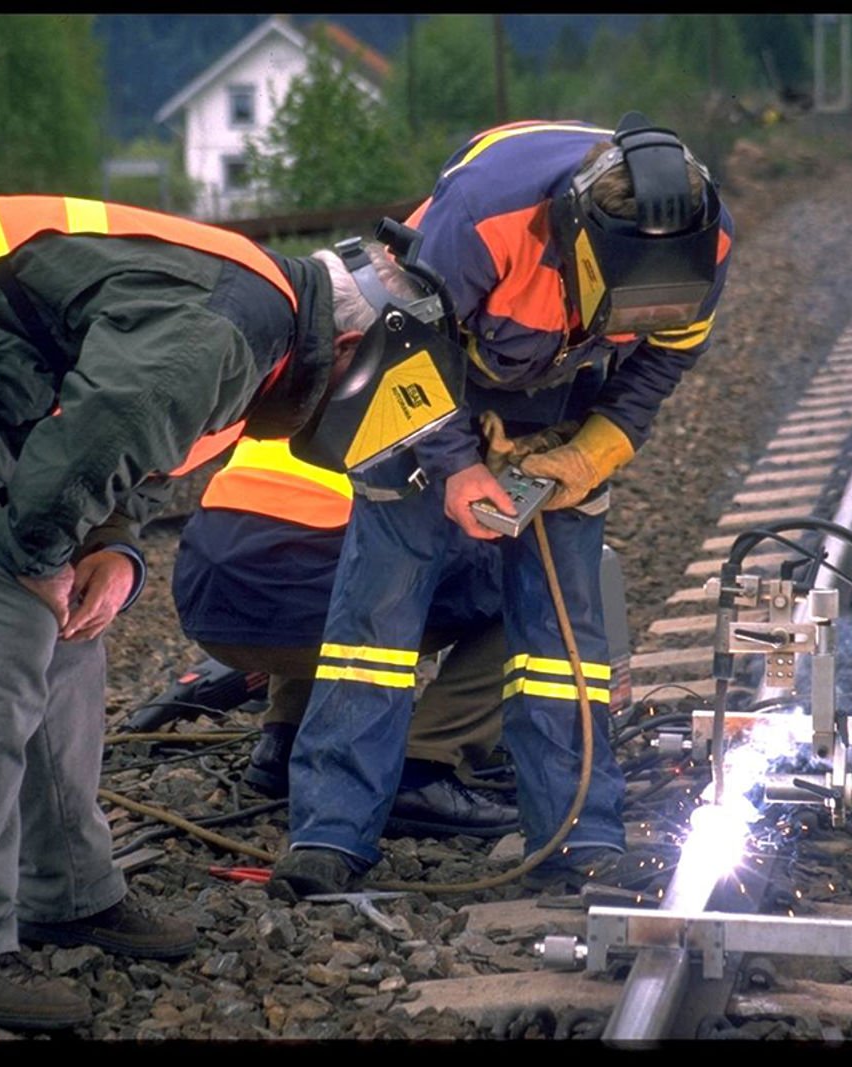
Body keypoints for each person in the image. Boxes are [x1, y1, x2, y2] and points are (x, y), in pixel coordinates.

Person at [0, 194, 457, 1030]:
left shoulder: (260, 332)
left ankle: (68, 893)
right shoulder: (230, 330)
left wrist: (113, 551)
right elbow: (112, 422)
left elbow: (117, 435)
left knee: (67, 632)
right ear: (351, 347)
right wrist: (43, 552)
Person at [269, 113, 733, 900]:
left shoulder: (704, 243)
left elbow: (661, 366)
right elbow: (408, 350)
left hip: (566, 394)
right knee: (378, 616)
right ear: (580, 235)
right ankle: (330, 832)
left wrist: (589, 453)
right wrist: (452, 465)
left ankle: (577, 832)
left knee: (565, 633)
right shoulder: (482, 220)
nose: (638, 310)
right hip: (425, 381)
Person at [171, 433, 520, 837]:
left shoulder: (309, 394)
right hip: (301, 624)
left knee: (322, 554)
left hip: (210, 609)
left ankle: (282, 742)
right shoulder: (427, 437)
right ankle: (425, 770)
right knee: (521, 595)